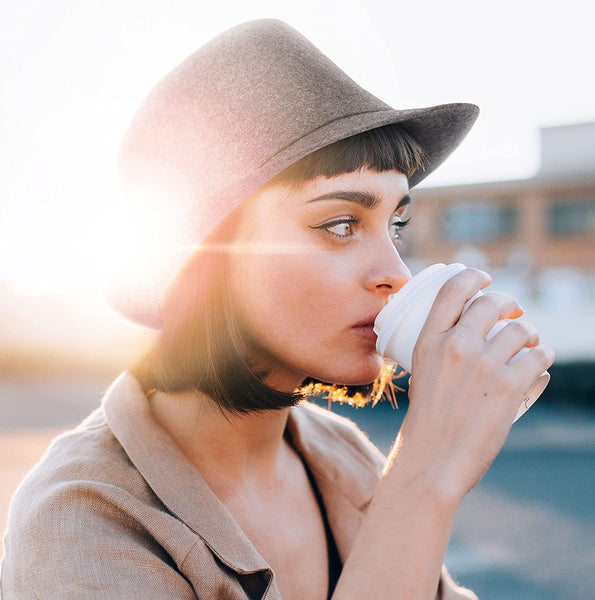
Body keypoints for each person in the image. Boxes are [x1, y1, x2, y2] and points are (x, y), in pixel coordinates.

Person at [0, 19, 554, 600]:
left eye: (396, 224)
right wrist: (424, 476)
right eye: (341, 224)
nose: (396, 272)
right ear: (206, 257)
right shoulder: (78, 527)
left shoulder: (336, 454)